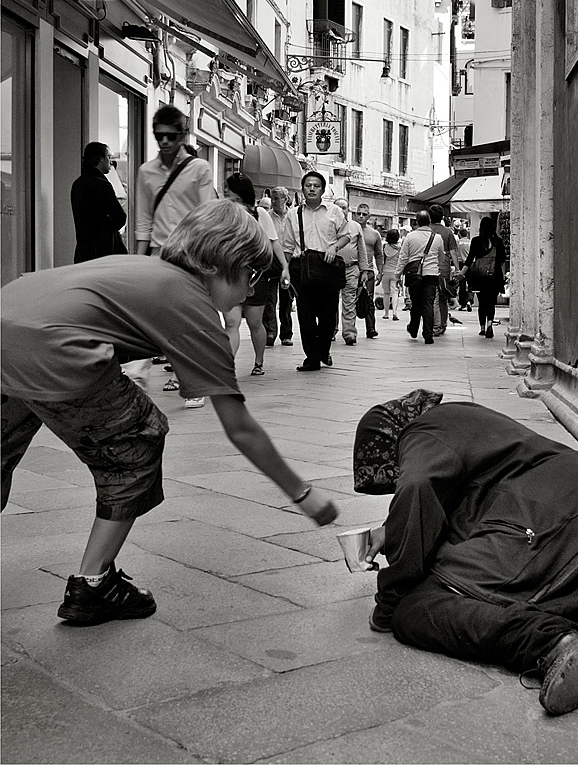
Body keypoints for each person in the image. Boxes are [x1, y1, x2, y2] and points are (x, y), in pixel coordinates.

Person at [1, 200, 339, 627]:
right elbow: (240, 429)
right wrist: (304, 495)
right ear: (221, 265)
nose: (252, 290)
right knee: (137, 444)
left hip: (6, 322)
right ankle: (93, 584)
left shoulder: (141, 268)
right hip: (54, 351)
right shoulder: (192, 305)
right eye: (251, 275)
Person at [353, 391, 578, 716]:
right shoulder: (460, 419)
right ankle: (561, 633)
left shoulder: (421, 431)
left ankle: (554, 644)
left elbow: (417, 487)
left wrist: (390, 598)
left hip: (566, 539)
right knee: (456, 579)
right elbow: (445, 498)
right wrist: (391, 530)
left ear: (391, 442)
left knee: (415, 610)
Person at [135, 104, 217, 408]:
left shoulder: (199, 169)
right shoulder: (146, 171)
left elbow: (205, 214)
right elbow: (143, 218)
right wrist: (140, 258)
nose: (165, 142)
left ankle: (193, 381)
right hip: (159, 252)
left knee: (187, 320)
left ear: (182, 135)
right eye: (159, 136)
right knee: (147, 313)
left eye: (170, 136)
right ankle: (137, 372)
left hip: (190, 253)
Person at [222, 172, 290, 376]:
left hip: (255, 276)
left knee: (254, 322)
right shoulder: (224, 212)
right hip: (231, 274)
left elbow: (274, 242)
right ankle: (227, 365)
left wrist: (285, 267)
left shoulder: (260, 213)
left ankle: (259, 361)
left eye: (228, 188)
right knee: (231, 322)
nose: (225, 191)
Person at [281, 171, 350, 372]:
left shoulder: (334, 211)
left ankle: (323, 349)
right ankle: (312, 357)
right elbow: (286, 246)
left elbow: (346, 235)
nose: (312, 189)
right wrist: (285, 270)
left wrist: (334, 247)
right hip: (302, 269)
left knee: (328, 315)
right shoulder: (293, 214)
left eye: (316, 186)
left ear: (323, 189)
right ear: (302, 189)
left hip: (327, 268)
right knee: (306, 314)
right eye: (308, 185)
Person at [394, 210, 445, 344]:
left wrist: (397, 275)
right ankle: (428, 334)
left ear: (417, 222)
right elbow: (441, 257)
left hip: (414, 275)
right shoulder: (437, 238)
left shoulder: (410, 237)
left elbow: (403, 257)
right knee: (428, 304)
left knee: (416, 303)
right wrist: (435, 265)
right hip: (431, 275)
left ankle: (414, 328)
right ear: (429, 221)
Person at [70, 142, 128, 262]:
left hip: (83, 252)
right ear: (100, 159)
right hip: (104, 251)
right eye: (109, 157)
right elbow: (120, 218)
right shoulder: (103, 185)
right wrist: (107, 226)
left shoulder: (77, 184)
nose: (111, 162)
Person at [460, 216, 507, 338]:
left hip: (480, 277)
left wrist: (462, 273)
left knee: (482, 302)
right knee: (491, 301)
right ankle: (490, 323)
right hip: (494, 276)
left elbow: (470, 259)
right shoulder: (498, 242)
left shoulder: (476, 241)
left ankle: (482, 328)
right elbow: (502, 260)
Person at [334, 198, 369, 346]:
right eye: (339, 208)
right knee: (330, 302)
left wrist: (364, 270)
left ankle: (349, 333)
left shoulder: (355, 227)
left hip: (351, 269)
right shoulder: (328, 226)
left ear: (348, 210)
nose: (342, 210)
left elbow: (362, 250)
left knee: (349, 302)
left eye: (344, 208)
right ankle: (331, 330)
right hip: (332, 269)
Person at [263, 186, 295, 348]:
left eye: (277, 198)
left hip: (288, 261)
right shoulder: (267, 217)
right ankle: (270, 332)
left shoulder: (293, 216)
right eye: (272, 198)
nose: (274, 202)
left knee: (286, 299)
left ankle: (286, 334)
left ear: (285, 199)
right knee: (269, 298)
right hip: (271, 262)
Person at [428, 204, 459, 337]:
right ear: (442, 217)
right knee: (442, 298)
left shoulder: (425, 230)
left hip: (428, 268)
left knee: (430, 298)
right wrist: (457, 269)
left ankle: (434, 324)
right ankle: (443, 324)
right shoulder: (448, 232)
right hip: (444, 268)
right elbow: (453, 252)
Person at [353, 204, 384, 339]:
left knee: (369, 301)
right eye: (358, 213)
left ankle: (370, 328)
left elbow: (379, 254)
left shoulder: (374, 234)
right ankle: (348, 329)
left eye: (364, 214)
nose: (361, 216)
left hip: (369, 272)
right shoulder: (349, 230)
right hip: (352, 270)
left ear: (369, 217)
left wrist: (380, 271)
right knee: (349, 302)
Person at [379, 229, 402, 321]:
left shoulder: (384, 246)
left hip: (386, 272)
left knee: (386, 293)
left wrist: (380, 272)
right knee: (395, 292)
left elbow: (382, 260)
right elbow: (401, 261)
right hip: (395, 273)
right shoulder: (400, 248)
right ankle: (395, 313)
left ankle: (386, 313)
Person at [455, 227, 473, 311]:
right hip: (471, 264)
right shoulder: (470, 242)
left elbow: (454, 253)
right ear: (467, 234)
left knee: (462, 284)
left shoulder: (458, 242)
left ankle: (463, 304)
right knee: (470, 284)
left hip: (462, 264)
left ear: (460, 234)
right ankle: (469, 300)